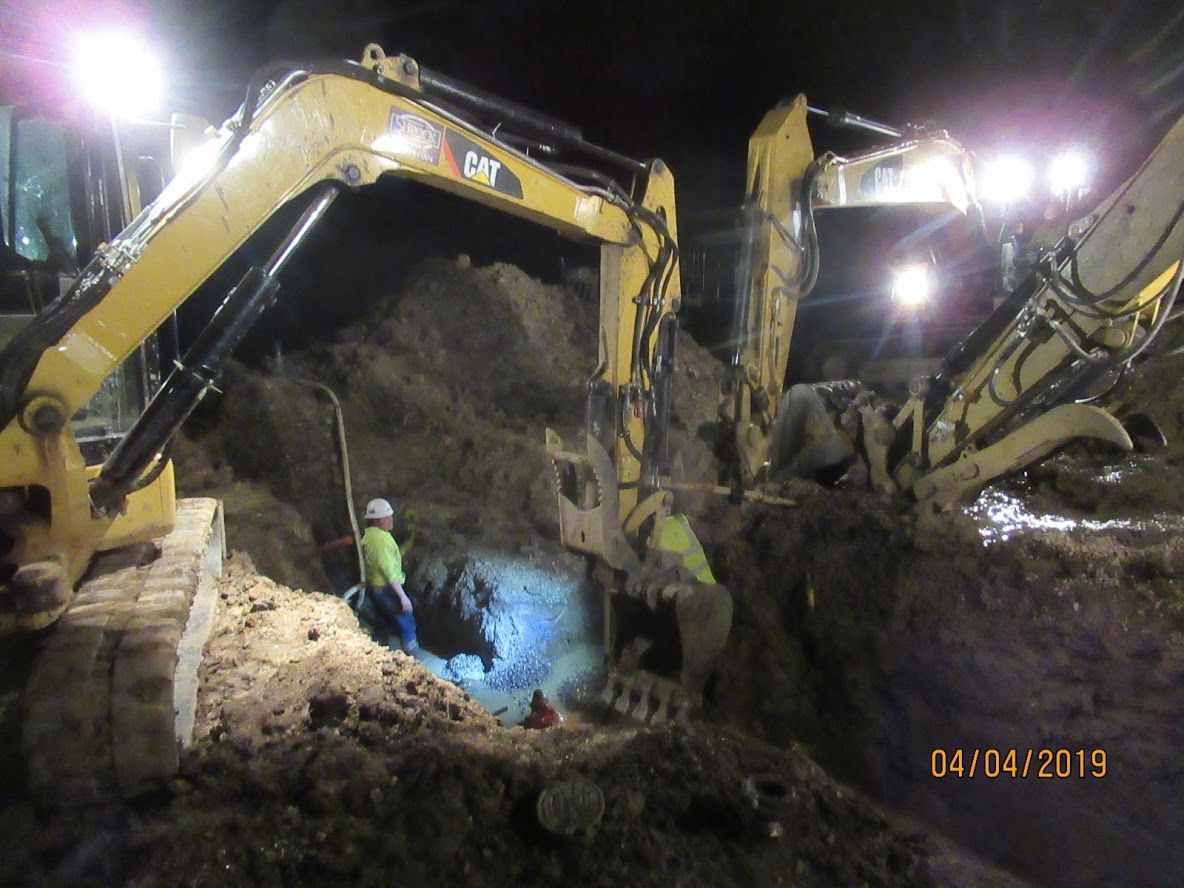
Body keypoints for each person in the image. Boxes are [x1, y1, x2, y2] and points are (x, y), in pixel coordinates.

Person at [361, 497, 419, 653]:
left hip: (375, 590)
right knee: (407, 623)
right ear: (377, 520)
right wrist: (402, 597)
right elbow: (389, 571)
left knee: (383, 623)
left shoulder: (368, 537)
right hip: (387, 591)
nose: (391, 520)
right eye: (387, 517)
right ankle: (413, 662)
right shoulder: (382, 540)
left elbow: (382, 560)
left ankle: (379, 655)